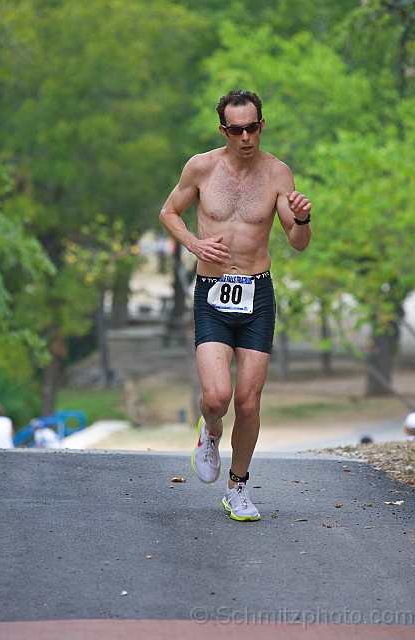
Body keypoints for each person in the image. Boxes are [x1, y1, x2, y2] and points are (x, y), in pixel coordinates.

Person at [159, 90, 312, 521]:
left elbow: (297, 243)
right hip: (212, 290)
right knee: (218, 396)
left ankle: (238, 488)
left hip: (257, 294)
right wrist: (194, 243)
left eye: (253, 127)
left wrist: (302, 218)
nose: (246, 137)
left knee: (248, 400)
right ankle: (210, 432)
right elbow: (169, 212)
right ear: (223, 130)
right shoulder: (201, 167)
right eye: (236, 129)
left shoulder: (278, 173)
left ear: (262, 125)